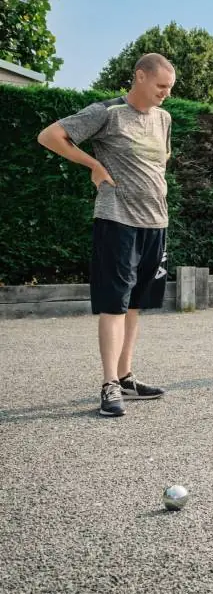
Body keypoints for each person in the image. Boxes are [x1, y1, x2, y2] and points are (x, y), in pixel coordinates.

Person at [37, 53, 176, 416]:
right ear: (140, 77)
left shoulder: (164, 118)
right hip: (117, 221)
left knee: (135, 304)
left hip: (155, 224)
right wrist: (94, 164)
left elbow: (159, 164)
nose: (166, 93)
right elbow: (50, 135)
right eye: (161, 86)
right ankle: (108, 383)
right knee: (114, 303)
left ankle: (126, 377)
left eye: (170, 88)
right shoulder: (107, 112)